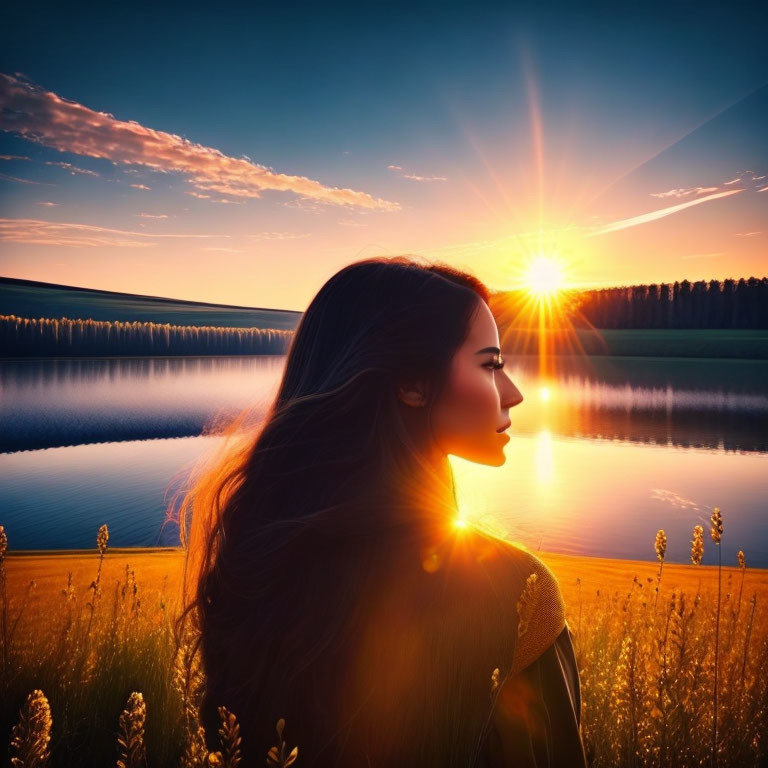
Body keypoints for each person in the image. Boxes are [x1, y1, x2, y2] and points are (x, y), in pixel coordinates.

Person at [172, 255, 588, 767]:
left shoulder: (255, 570)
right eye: (491, 364)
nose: (514, 393)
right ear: (412, 385)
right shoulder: (521, 594)